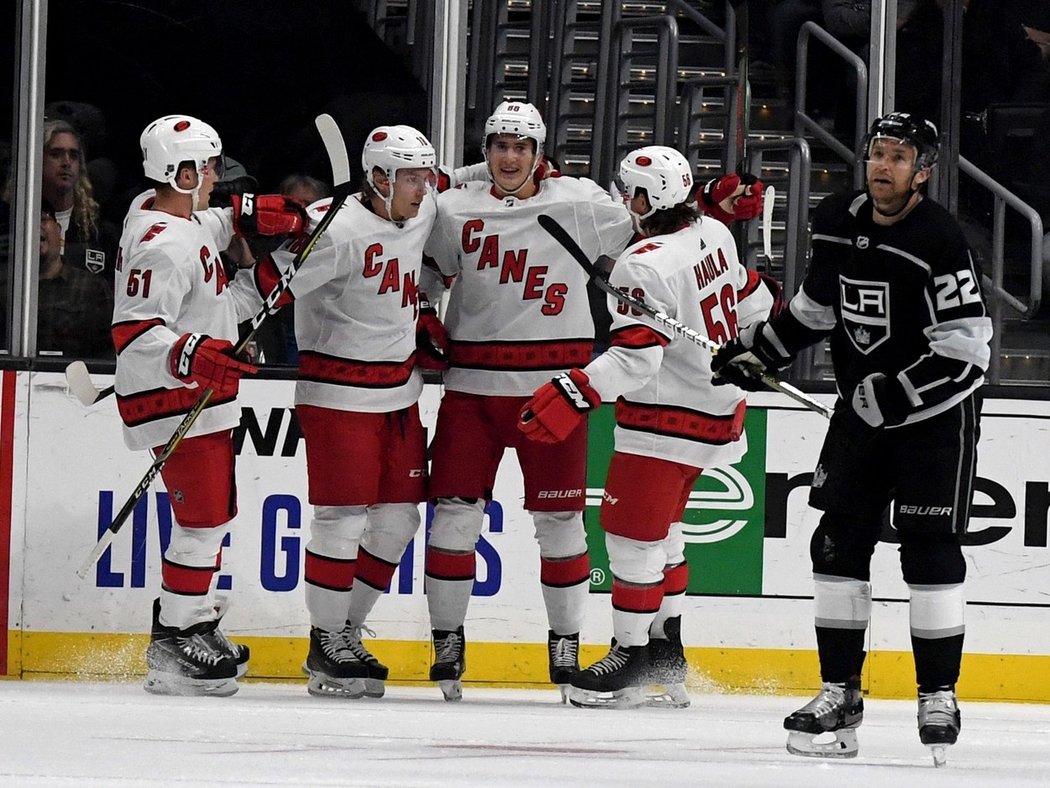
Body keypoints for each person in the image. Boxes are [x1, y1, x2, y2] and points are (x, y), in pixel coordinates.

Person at [711, 112, 992, 764]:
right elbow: (817, 309)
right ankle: (840, 693)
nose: (883, 166)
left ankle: (937, 693)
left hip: (933, 423)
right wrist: (761, 350)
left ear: (922, 172)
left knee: (928, 550)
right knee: (835, 543)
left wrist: (896, 395)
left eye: (899, 156)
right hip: (861, 415)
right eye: (877, 153)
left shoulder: (942, 239)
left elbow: (969, 353)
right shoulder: (839, 217)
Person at [517, 146, 775, 708]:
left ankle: (630, 657)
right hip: (718, 409)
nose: (622, 199)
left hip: (666, 420)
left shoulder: (646, 263)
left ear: (649, 197)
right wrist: (766, 347)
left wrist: (573, 390)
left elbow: (637, 358)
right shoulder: (713, 231)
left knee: (631, 537)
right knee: (665, 534)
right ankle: (666, 653)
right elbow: (752, 297)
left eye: (629, 190)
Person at [420, 100, 637, 703]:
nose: (509, 157)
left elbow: (648, 228)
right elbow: (429, 274)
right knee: (456, 515)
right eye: (498, 145)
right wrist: (420, 314)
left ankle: (566, 643)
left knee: (562, 522)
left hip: (555, 393)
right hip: (472, 390)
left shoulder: (582, 202)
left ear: (540, 152)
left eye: (521, 146)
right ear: (486, 148)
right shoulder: (453, 208)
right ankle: (446, 641)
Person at [112, 114, 306, 697]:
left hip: (195, 386)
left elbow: (213, 223)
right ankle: (173, 643)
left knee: (214, 514)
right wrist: (195, 353)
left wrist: (258, 212)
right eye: (210, 167)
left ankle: (192, 622)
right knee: (202, 521)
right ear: (184, 171)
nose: (218, 176)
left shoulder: (167, 210)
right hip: (172, 395)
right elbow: (135, 332)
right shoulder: (161, 247)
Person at [267, 125, 446, 699]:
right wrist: (223, 337)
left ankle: (344, 627)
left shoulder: (419, 207)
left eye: (425, 175)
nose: (424, 189)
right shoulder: (335, 230)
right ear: (379, 178)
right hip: (337, 397)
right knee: (340, 521)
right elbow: (266, 286)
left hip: (401, 393)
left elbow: (460, 181)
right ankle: (325, 641)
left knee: (399, 522)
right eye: (412, 178)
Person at [41, 119, 119, 283]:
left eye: (74, 155)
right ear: (37, 160)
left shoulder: (101, 234)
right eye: (56, 154)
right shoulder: (15, 224)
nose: (67, 163)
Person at [37, 199, 113, 358]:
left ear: (58, 230)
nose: (35, 227)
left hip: (75, 379)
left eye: (43, 219)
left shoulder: (92, 287)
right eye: (28, 222)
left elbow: (108, 351)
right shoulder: (6, 286)